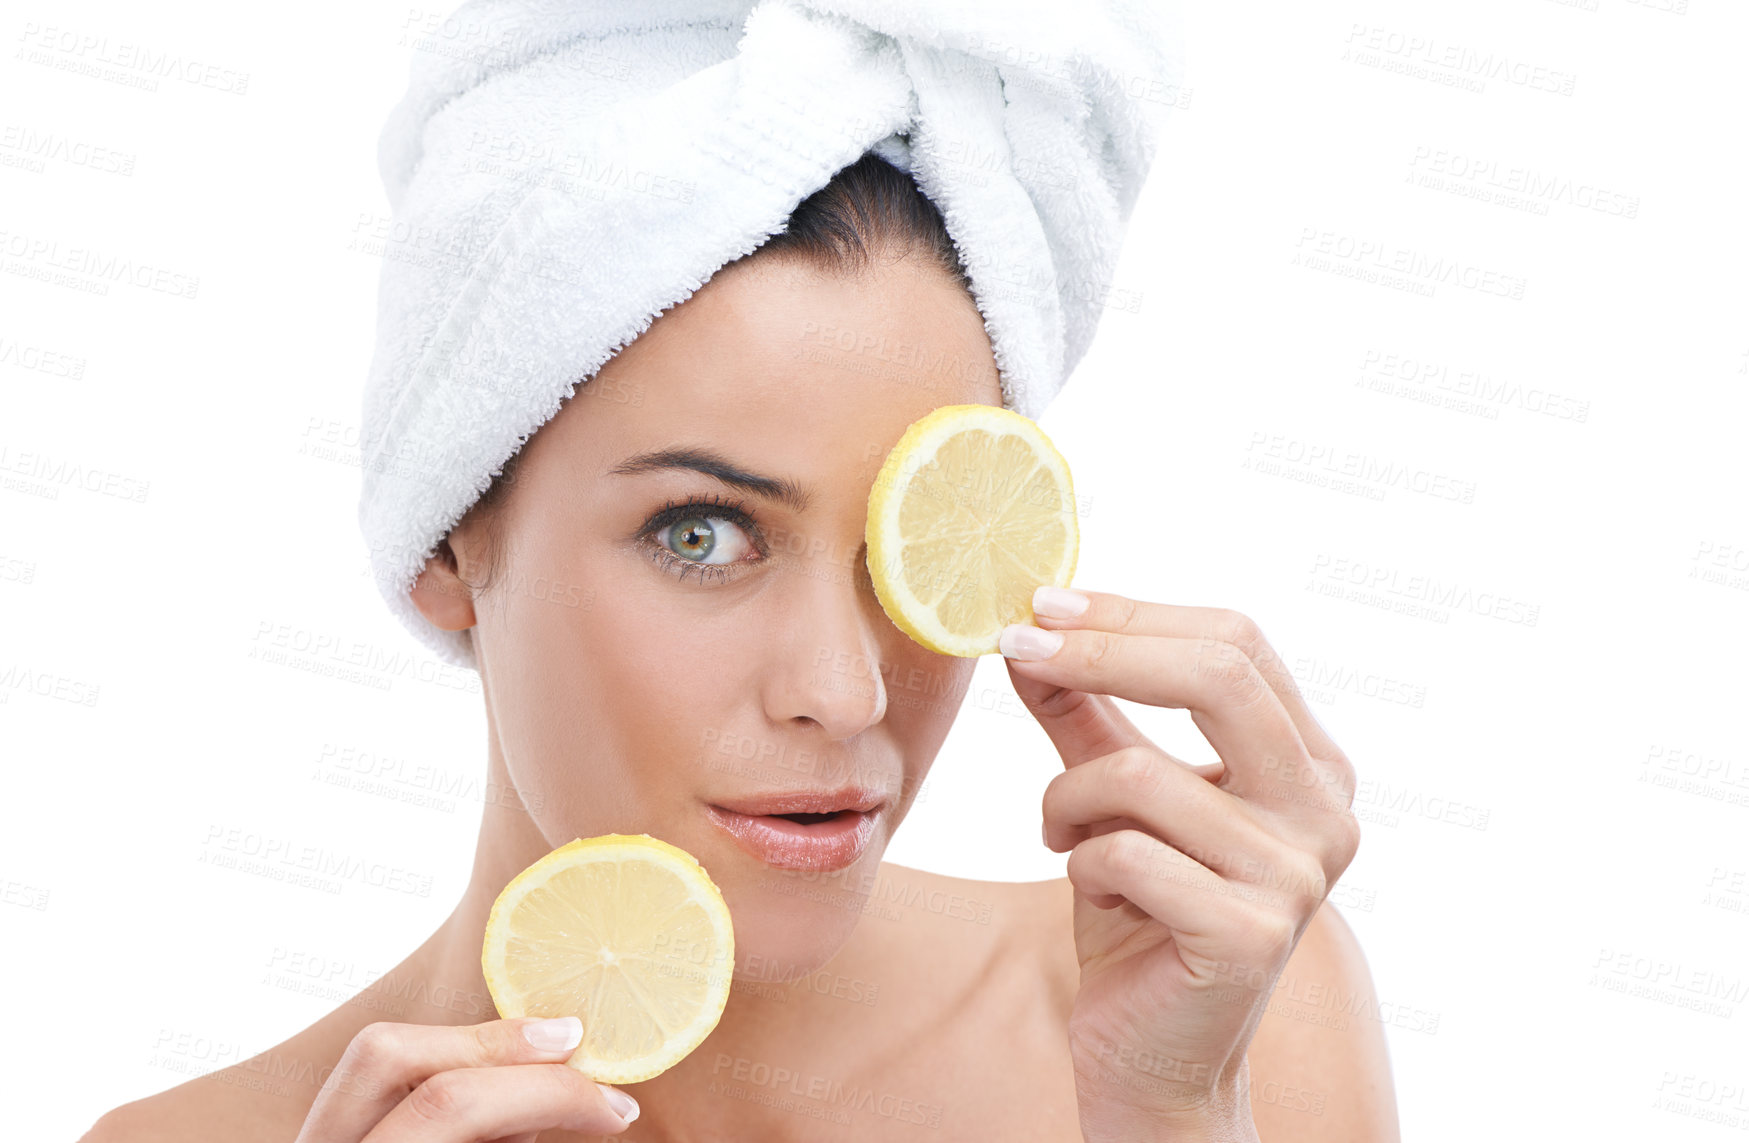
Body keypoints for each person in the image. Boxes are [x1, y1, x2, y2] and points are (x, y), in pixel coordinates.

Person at [83, 150, 1397, 1142]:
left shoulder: (1225, 1013)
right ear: (446, 543)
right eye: (702, 536)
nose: (843, 689)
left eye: (904, 549)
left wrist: (1164, 1114)